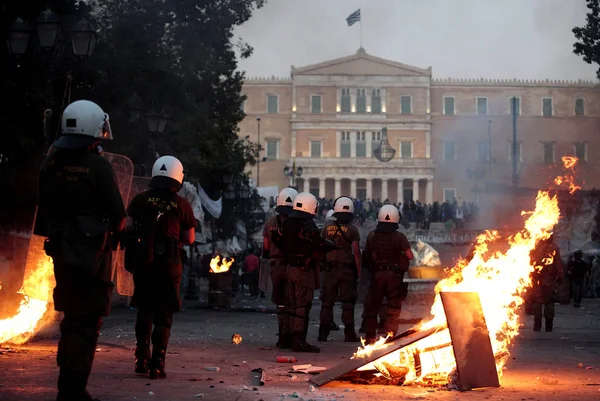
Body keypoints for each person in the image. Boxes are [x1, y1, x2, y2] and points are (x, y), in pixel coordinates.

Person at [36, 100, 127, 401]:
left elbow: (43, 208)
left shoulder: (52, 162)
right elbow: (117, 214)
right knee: (87, 321)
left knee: (72, 318)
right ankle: (73, 391)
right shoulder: (98, 165)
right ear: (92, 127)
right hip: (93, 254)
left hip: (62, 252)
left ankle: (69, 387)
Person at [125, 155, 196, 379]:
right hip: (169, 264)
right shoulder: (182, 204)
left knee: (144, 310)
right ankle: (158, 364)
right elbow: (190, 238)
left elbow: (126, 227)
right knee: (164, 314)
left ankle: (141, 357)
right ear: (178, 177)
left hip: (144, 263)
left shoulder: (140, 200)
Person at [278, 192, 336, 353]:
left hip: (290, 267)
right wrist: (329, 245)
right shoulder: (307, 223)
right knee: (302, 305)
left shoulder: (288, 222)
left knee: (291, 304)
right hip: (302, 269)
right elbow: (316, 241)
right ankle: (299, 340)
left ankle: (287, 337)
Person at [362, 205, 414, 344]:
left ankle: (369, 337)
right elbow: (410, 256)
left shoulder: (371, 235)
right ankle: (390, 337)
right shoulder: (399, 236)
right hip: (394, 277)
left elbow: (366, 256)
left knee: (372, 306)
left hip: (377, 275)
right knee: (393, 306)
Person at [318, 196, 361, 342]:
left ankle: (322, 333)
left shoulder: (326, 228)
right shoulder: (353, 230)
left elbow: (320, 248)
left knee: (327, 302)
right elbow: (356, 252)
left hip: (330, 270)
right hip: (346, 270)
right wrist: (359, 271)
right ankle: (349, 334)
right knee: (347, 303)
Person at [262, 187, 298, 348]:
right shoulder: (298, 224)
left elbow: (266, 248)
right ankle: (294, 336)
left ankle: (282, 336)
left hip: (276, 266)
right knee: (294, 303)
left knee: (281, 303)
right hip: (293, 266)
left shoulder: (270, 223)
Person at [529, 234, 563, 332]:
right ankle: (548, 326)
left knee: (538, 302)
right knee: (548, 302)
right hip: (548, 280)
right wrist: (560, 276)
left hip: (536, 280)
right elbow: (558, 263)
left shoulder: (534, 245)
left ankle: (537, 325)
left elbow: (529, 261)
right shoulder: (554, 247)